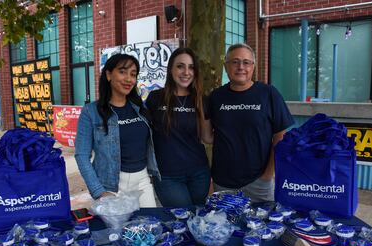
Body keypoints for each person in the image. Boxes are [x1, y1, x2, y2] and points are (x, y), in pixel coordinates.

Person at [206, 43, 294, 202]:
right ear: (226, 66)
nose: (241, 67)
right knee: (225, 226)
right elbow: (209, 136)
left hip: (259, 183)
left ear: (253, 66)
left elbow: (281, 137)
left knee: (264, 225)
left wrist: (268, 175)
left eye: (246, 62)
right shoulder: (216, 97)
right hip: (223, 183)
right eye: (235, 62)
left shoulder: (268, 94)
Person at [75, 53, 160, 207]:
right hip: (110, 186)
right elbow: (81, 155)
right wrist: (98, 191)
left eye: (133, 74)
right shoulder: (91, 112)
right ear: (108, 75)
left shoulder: (140, 109)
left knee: (149, 227)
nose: (129, 79)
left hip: (142, 181)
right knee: (115, 231)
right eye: (122, 72)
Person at [146, 48, 212, 207]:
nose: (186, 72)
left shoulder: (201, 100)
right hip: (167, 176)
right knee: (181, 220)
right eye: (180, 66)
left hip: (199, 173)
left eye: (191, 67)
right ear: (171, 69)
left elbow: (206, 137)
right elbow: (142, 133)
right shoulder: (155, 98)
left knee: (198, 220)